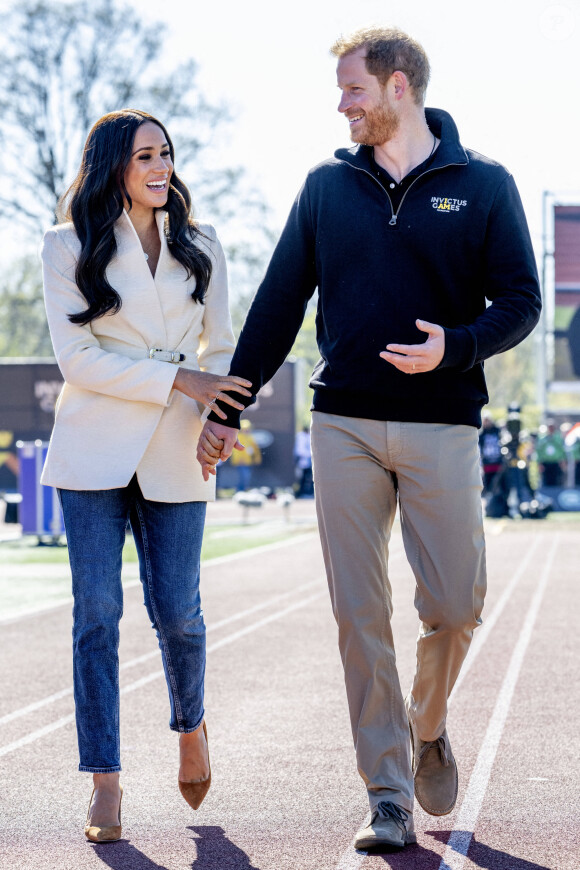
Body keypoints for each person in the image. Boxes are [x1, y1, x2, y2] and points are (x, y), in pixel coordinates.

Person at [197, 26, 541, 852]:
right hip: (343, 421)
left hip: (444, 421)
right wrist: (227, 412)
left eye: (353, 89)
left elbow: (521, 301)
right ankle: (386, 792)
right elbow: (278, 308)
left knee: (456, 607)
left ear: (398, 88)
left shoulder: (485, 184)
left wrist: (453, 348)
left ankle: (427, 724)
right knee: (360, 617)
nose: (343, 105)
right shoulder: (326, 186)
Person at [40, 109, 251, 843]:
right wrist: (178, 382)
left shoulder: (205, 244)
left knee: (180, 612)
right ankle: (105, 781)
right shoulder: (66, 245)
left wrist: (221, 416)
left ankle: (191, 726)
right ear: (111, 168)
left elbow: (220, 347)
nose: (160, 167)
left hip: (178, 449)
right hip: (91, 452)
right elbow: (79, 361)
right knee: (96, 613)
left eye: (165, 154)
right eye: (143, 157)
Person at [229, 418, 262, 491]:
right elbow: (236, 451)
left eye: (248, 429)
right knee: (244, 477)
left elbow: (255, 449)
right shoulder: (239, 437)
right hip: (241, 462)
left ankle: (242, 490)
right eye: (245, 429)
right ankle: (240, 490)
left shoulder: (250, 437)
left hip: (249, 462)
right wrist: (239, 459)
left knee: (246, 477)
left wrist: (257, 459)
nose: (246, 430)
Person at [535, 420, 567, 487]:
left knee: (557, 480)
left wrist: (563, 461)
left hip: (556, 463)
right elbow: (539, 451)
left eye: (552, 427)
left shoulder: (558, 438)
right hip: (546, 463)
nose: (551, 429)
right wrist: (539, 463)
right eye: (549, 427)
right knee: (546, 481)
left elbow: (562, 450)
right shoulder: (542, 438)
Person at [294, 424, 313, 497]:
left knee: (309, 477)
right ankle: (299, 493)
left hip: (308, 461)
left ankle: (308, 492)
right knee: (301, 478)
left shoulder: (308, 436)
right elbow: (300, 450)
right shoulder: (301, 436)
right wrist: (310, 454)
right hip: (302, 461)